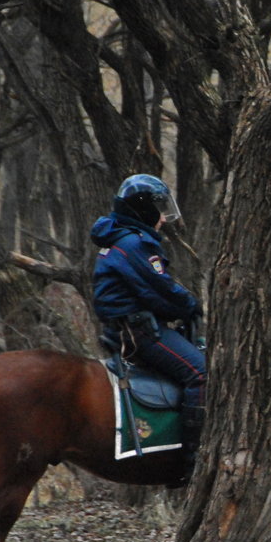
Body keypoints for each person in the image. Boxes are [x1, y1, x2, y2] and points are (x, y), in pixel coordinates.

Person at [91, 174, 206, 484]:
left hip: (130, 327)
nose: (163, 217)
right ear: (143, 210)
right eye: (159, 209)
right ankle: (194, 462)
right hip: (139, 333)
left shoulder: (123, 239)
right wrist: (193, 306)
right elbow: (160, 290)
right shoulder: (134, 244)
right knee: (200, 371)